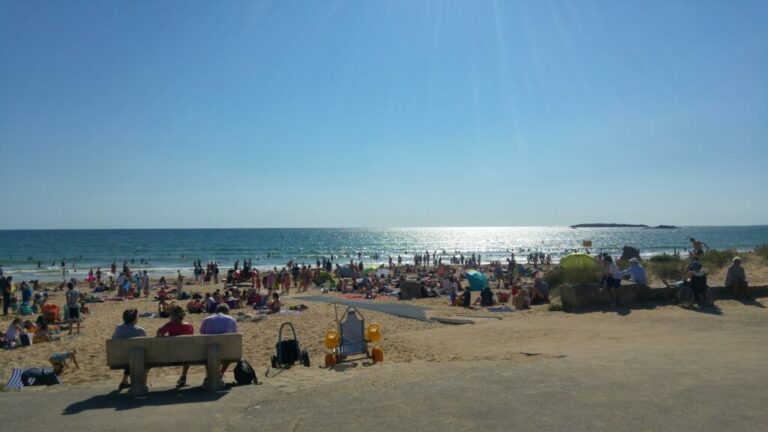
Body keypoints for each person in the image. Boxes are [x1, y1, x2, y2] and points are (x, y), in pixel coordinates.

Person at [156, 305, 194, 386]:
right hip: (186, 355)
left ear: (172, 315)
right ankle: (183, 375)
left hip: (172, 354)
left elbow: (159, 334)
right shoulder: (189, 326)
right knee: (186, 351)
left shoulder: (170, 325)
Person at [200, 304, 238, 380]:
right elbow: (235, 334)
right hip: (226, 351)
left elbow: (202, 332)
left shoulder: (207, 319)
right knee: (229, 352)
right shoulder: (231, 319)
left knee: (207, 352)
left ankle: (208, 375)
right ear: (227, 311)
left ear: (216, 310)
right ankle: (221, 373)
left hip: (209, 351)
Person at [112, 308, 147, 390]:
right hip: (137, 358)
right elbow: (145, 346)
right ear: (135, 319)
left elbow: (113, 339)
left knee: (130, 357)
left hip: (119, 357)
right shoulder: (140, 330)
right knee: (138, 356)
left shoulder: (118, 328)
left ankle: (125, 381)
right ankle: (142, 383)